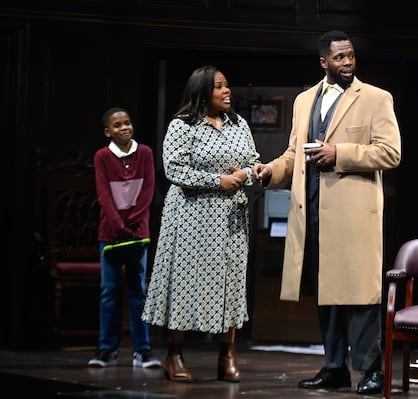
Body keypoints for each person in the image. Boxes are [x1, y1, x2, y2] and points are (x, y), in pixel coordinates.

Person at [252, 31, 401, 395]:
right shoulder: (304, 101)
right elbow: (293, 155)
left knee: (361, 298)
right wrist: (271, 171)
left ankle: (372, 371)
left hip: (354, 217)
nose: (347, 63)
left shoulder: (376, 99)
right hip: (314, 211)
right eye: (339, 58)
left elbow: (390, 153)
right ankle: (334, 368)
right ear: (324, 62)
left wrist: (341, 153)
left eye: (351, 56)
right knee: (327, 295)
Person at [142, 65, 260, 383]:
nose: (227, 92)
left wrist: (244, 175)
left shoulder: (239, 124)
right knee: (185, 283)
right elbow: (174, 170)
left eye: (227, 86)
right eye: (219, 87)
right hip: (191, 218)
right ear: (202, 92)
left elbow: (253, 163)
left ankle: (227, 354)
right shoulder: (183, 125)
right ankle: (174, 354)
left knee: (231, 282)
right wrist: (216, 181)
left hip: (231, 218)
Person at [89, 107, 161, 368]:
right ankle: (106, 349)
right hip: (111, 234)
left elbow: (147, 192)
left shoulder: (145, 154)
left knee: (138, 291)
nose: (124, 128)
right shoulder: (102, 157)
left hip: (136, 233)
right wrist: (119, 226)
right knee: (109, 291)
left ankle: (142, 350)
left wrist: (133, 223)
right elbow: (104, 196)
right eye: (117, 125)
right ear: (108, 131)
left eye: (128, 123)